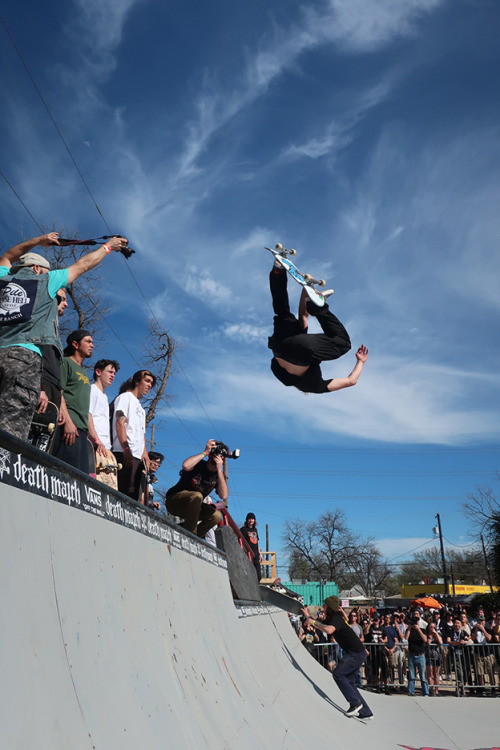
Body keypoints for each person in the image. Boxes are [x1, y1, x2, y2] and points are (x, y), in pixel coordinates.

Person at [0, 232, 128, 440]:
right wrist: (108, 247)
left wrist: (37, 241)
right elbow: (83, 265)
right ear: (36, 269)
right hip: (23, 359)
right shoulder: (46, 280)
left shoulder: (2, 278)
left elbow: (7, 256)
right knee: (11, 435)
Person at [267, 260, 368, 394]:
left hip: (301, 350)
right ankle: (278, 271)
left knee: (343, 344)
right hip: (280, 345)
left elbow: (351, 381)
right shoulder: (289, 380)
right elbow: (303, 316)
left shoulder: (315, 387)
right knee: (282, 313)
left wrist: (360, 362)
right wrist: (307, 288)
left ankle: (319, 308)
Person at [302, 596, 373, 720]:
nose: (322, 608)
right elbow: (321, 624)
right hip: (357, 652)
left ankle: (355, 704)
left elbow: (329, 630)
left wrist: (312, 621)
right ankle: (366, 711)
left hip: (355, 653)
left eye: (324, 605)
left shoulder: (336, 618)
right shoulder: (331, 618)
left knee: (338, 674)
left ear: (329, 607)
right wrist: (308, 616)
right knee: (349, 682)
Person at [165, 439, 227, 538]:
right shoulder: (199, 464)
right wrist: (206, 452)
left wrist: (219, 470)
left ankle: (186, 532)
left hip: (193, 510)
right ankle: (191, 536)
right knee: (197, 496)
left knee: (216, 516)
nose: (215, 461)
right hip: (175, 502)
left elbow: (223, 495)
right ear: (210, 455)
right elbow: (185, 465)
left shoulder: (218, 475)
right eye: (214, 457)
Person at [52, 330, 94, 472]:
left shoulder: (84, 372)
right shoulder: (65, 363)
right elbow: (59, 393)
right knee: (63, 475)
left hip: (82, 432)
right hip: (69, 428)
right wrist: (68, 422)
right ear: (75, 344)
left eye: (92, 342)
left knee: (80, 479)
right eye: (88, 341)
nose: (92, 345)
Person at [111, 369, 156, 499]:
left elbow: (141, 433)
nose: (149, 385)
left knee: (133, 496)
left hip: (137, 457)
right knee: (120, 493)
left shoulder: (141, 409)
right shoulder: (125, 397)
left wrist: (145, 454)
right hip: (123, 453)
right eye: (147, 381)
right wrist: (125, 448)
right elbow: (119, 422)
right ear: (137, 381)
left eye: (151, 383)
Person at [38, 287, 69, 413]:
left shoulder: (53, 328)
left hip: (53, 391)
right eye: (62, 299)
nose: (66, 304)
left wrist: (60, 404)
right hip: (41, 388)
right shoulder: (39, 321)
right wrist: (39, 388)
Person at [88, 359, 119, 456]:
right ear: (98, 372)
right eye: (110, 372)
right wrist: (96, 439)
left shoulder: (105, 397)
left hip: (104, 446)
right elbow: (87, 415)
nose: (113, 375)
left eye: (114, 373)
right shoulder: (92, 390)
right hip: (93, 444)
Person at [407, 611, 430, 696]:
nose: (415, 622)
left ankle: (425, 692)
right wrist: (409, 628)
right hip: (412, 654)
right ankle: (410, 691)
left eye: (417, 620)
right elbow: (406, 638)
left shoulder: (422, 629)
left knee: (423, 676)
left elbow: (425, 640)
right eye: (414, 619)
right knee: (412, 676)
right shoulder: (409, 630)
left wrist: (418, 629)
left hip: (420, 655)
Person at [239, 512, 263, 582]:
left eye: (252, 519)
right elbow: (240, 541)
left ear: (254, 520)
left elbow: (256, 542)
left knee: (258, 575)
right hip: (248, 553)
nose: (251, 520)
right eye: (249, 519)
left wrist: (260, 554)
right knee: (250, 572)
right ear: (246, 520)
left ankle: (257, 586)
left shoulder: (255, 530)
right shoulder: (243, 529)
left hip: (256, 554)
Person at [425, 622, 443, 695]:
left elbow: (440, 642)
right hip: (428, 656)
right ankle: (431, 688)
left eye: (433, 627)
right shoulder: (426, 635)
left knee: (436, 674)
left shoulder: (437, 635)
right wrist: (427, 642)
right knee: (430, 674)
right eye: (431, 627)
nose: (432, 628)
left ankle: (436, 690)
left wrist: (436, 634)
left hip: (436, 656)